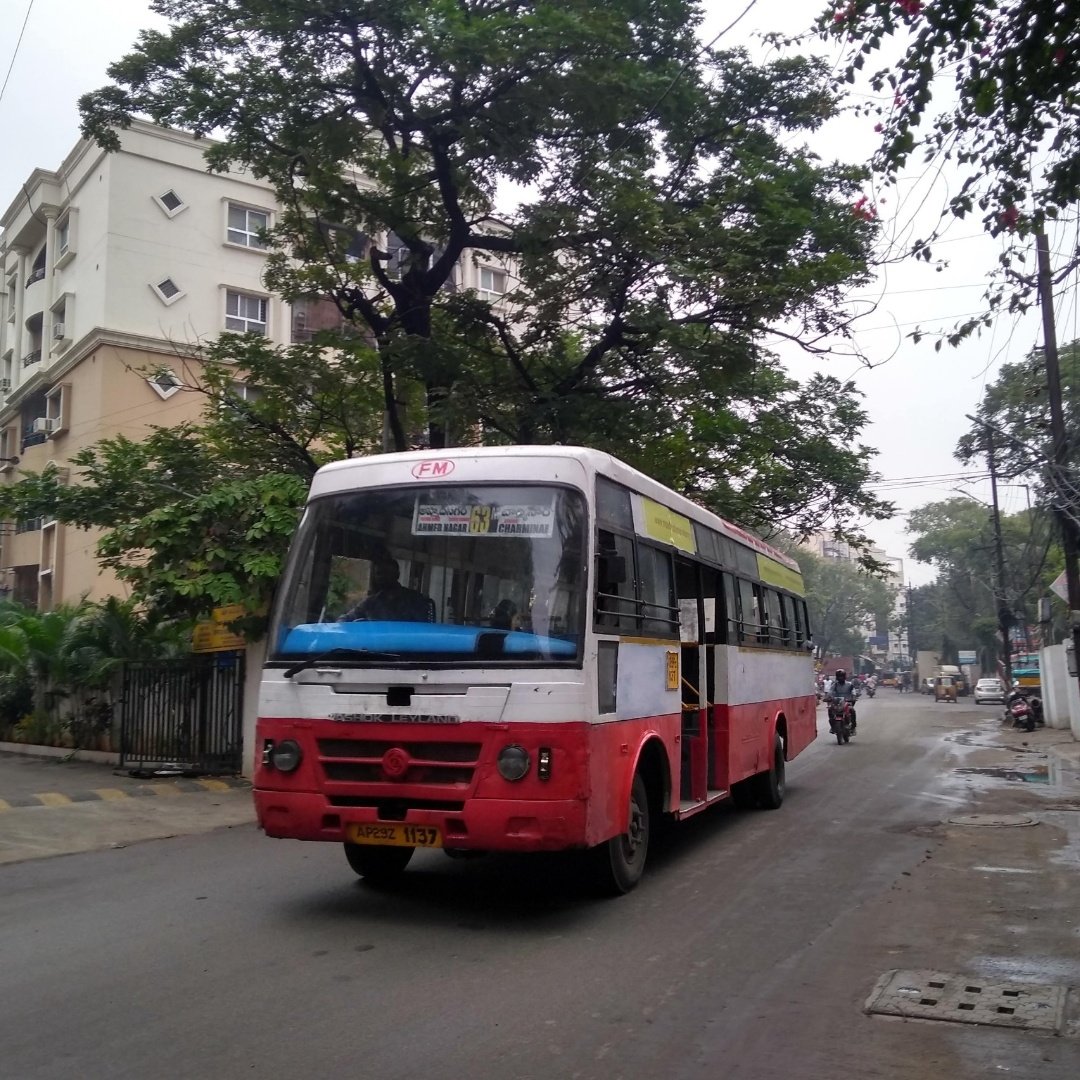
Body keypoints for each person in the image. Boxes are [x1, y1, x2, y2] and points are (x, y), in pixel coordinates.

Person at [342, 556, 432, 622]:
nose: (382, 577)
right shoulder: (371, 602)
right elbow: (346, 619)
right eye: (378, 573)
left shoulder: (414, 599)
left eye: (387, 573)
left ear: (397, 575)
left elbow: (422, 627)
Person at [827, 669, 858, 733]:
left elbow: (853, 691)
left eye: (841, 676)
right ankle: (832, 726)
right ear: (837, 677)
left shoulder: (849, 684)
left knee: (852, 710)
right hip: (837, 703)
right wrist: (828, 697)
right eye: (839, 676)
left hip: (847, 702)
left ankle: (853, 726)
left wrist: (854, 697)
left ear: (844, 676)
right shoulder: (835, 685)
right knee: (830, 709)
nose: (840, 678)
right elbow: (830, 692)